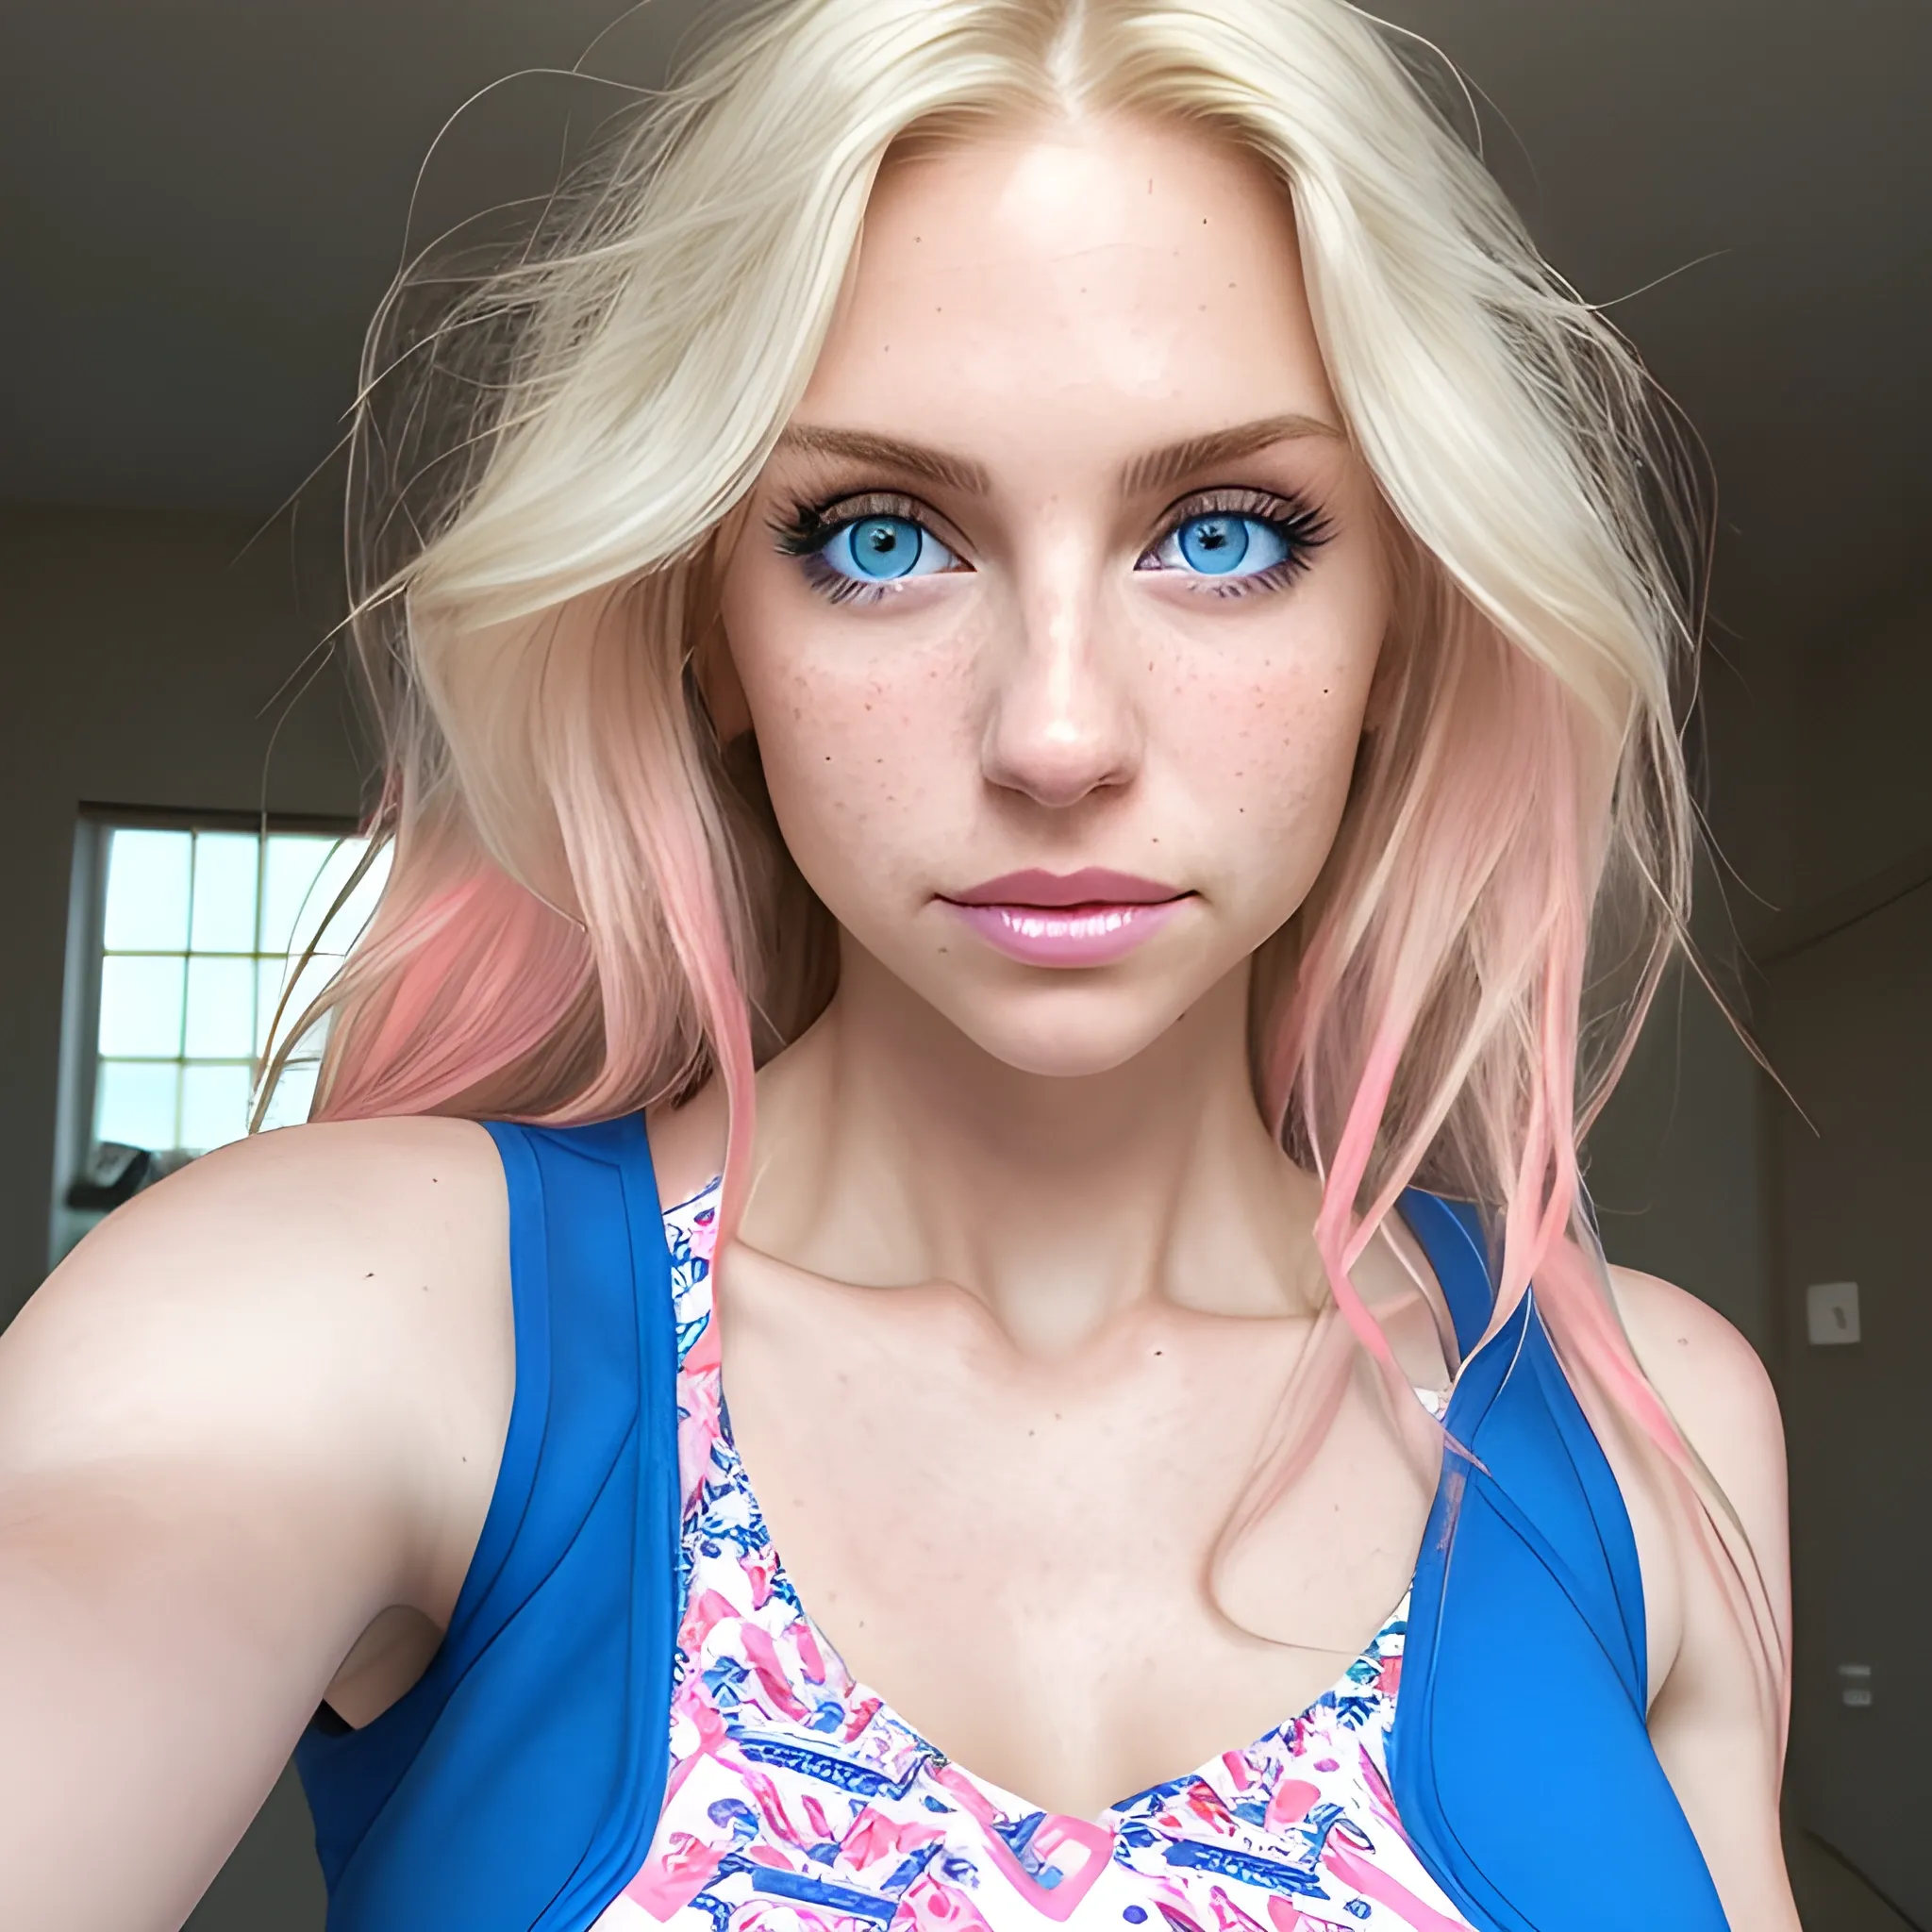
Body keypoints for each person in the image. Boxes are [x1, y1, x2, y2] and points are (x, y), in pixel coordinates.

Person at [0, 2, 1796, 1927]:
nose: (1053, 733)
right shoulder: (343, 1325)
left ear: (1402, 635)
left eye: (1219, 531)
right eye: (876, 537)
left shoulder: (1645, 1421)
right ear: (710, 636)